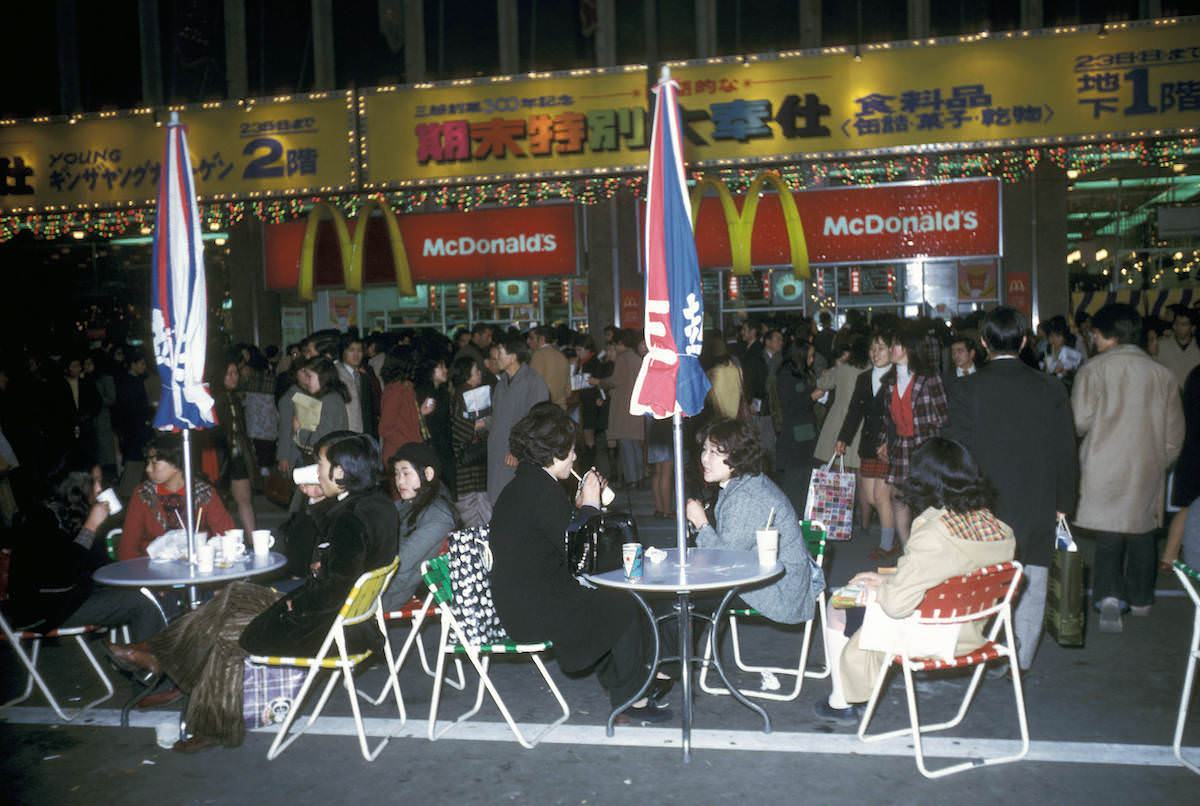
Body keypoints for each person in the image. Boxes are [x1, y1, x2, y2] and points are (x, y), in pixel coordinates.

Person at [106, 432, 399, 752]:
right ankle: (157, 651)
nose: (316, 470)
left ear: (341, 473)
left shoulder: (349, 519)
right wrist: (316, 502)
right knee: (234, 595)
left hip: (324, 627)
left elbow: (330, 587)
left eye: (321, 464)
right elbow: (319, 565)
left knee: (230, 634)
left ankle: (214, 725)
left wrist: (290, 609)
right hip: (345, 620)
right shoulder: (375, 505)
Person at [489, 406, 672, 724]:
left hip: (522, 601)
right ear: (554, 452)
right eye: (571, 451)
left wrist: (583, 508)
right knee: (623, 602)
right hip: (534, 610)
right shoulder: (540, 491)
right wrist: (589, 503)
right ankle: (631, 697)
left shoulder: (526, 486)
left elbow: (557, 539)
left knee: (607, 600)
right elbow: (581, 552)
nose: (575, 457)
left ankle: (624, 682)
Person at [814, 438, 1016, 724]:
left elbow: (897, 605)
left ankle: (842, 700)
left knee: (839, 602)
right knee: (863, 594)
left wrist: (884, 587)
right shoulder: (997, 529)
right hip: (973, 629)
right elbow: (951, 571)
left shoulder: (935, 533)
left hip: (936, 635)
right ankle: (848, 694)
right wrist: (891, 578)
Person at [945, 306, 1078, 671]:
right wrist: (1064, 502)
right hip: (1038, 498)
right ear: (1023, 342)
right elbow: (1066, 449)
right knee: (1033, 576)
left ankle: (980, 645)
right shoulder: (1051, 386)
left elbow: (957, 449)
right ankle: (1020, 661)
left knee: (983, 576)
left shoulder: (966, 388)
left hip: (984, 502)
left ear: (984, 343)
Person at [1073, 303, 1184, 632]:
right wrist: (1159, 461)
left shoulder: (1092, 370)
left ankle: (1108, 598)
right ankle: (1140, 600)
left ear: (1108, 336)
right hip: (1147, 465)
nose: (1092, 338)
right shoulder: (1162, 374)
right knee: (1143, 535)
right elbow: (1175, 434)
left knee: (1109, 535)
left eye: (1095, 333)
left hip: (1102, 465)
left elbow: (1079, 421)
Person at [4, 467, 165, 645]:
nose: (99, 489)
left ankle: (143, 658)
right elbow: (63, 576)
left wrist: (138, 576)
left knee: (147, 592)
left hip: (69, 599)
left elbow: (97, 566)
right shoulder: (39, 519)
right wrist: (90, 527)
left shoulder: (72, 512)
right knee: (142, 603)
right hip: (43, 610)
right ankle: (147, 665)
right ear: (75, 485)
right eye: (94, 481)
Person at [684, 418, 820, 626]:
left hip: (778, 592)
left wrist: (701, 523)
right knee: (684, 595)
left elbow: (725, 560)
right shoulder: (743, 484)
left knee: (678, 602)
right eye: (705, 450)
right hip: (767, 578)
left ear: (737, 457)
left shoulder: (747, 496)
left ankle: (675, 659)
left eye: (714, 453)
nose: (704, 459)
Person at [874, 325, 948, 552]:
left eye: (895, 344)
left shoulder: (928, 378)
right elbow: (887, 418)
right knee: (898, 498)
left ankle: (931, 549)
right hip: (901, 445)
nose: (892, 349)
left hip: (925, 446)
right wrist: (884, 441)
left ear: (908, 349)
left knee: (926, 500)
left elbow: (944, 415)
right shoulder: (889, 381)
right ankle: (907, 549)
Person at [118, 432, 236, 561]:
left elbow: (228, 535)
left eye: (154, 463)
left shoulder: (204, 493)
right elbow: (128, 547)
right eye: (148, 462)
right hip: (152, 571)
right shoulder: (143, 494)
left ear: (177, 465)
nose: (147, 469)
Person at [836, 334, 896, 558]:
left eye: (881, 348)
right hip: (868, 444)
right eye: (873, 348)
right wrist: (843, 438)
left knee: (880, 496)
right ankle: (893, 530)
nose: (876, 353)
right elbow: (855, 411)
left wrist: (891, 442)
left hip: (888, 446)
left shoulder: (898, 377)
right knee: (870, 498)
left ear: (892, 351)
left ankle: (887, 544)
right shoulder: (864, 378)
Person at [380, 442, 456, 613]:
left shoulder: (438, 515)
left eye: (406, 473)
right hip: (385, 585)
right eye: (397, 474)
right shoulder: (404, 506)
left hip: (392, 593)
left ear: (428, 474)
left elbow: (403, 561)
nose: (399, 481)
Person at [487, 333, 549, 503]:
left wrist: (517, 450)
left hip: (516, 457)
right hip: (497, 453)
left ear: (513, 357)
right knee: (497, 502)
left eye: (500, 352)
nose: (496, 357)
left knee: (517, 502)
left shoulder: (533, 382)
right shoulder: (502, 383)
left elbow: (537, 422)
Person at [588, 328, 643, 489]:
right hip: (636, 406)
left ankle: (631, 479)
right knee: (635, 446)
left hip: (623, 407)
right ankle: (639, 478)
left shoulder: (623, 358)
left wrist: (599, 382)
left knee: (626, 445)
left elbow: (616, 380)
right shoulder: (636, 357)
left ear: (621, 343)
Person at [210, 356, 258, 532]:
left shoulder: (233, 397)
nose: (233, 377)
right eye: (228, 374)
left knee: (244, 499)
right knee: (220, 501)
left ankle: (253, 542)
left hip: (236, 456)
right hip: (221, 457)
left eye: (235, 373)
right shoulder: (216, 400)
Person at [774, 339, 821, 515]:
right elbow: (791, 405)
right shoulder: (786, 375)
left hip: (806, 435)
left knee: (805, 481)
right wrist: (813, 397)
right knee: (795, 483)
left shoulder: (802, 373)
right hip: (794, 439)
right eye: (809, 356)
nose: (812, 360)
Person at [378, 344, 433, 465]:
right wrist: (408, 445)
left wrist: (421, 412)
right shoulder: (396, 390)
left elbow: (405, 420)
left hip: (406, 452)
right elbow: (385, 428)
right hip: (399, 454)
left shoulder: (405, 387)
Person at [290, 356, 351, 463]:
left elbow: (321, 437)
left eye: (310, 376)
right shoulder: (329, 398)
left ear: (323, 377)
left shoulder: (330, 400)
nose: (306, 381)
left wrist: (299, 431)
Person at [1156, 304, 1199, 389]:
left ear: (1193, 328)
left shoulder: (1198, 346)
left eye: (1183, 324)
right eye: (1176, 323)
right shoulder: (1161, 345)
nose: (1178, 327)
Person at [527, 326, 570, 409]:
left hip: (544, 410)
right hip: (561, 408)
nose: (528, 341)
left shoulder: (538, 355)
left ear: (542, 339)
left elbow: (533, 386)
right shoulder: (561, 356)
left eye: (531, 338)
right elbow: (568, 390)